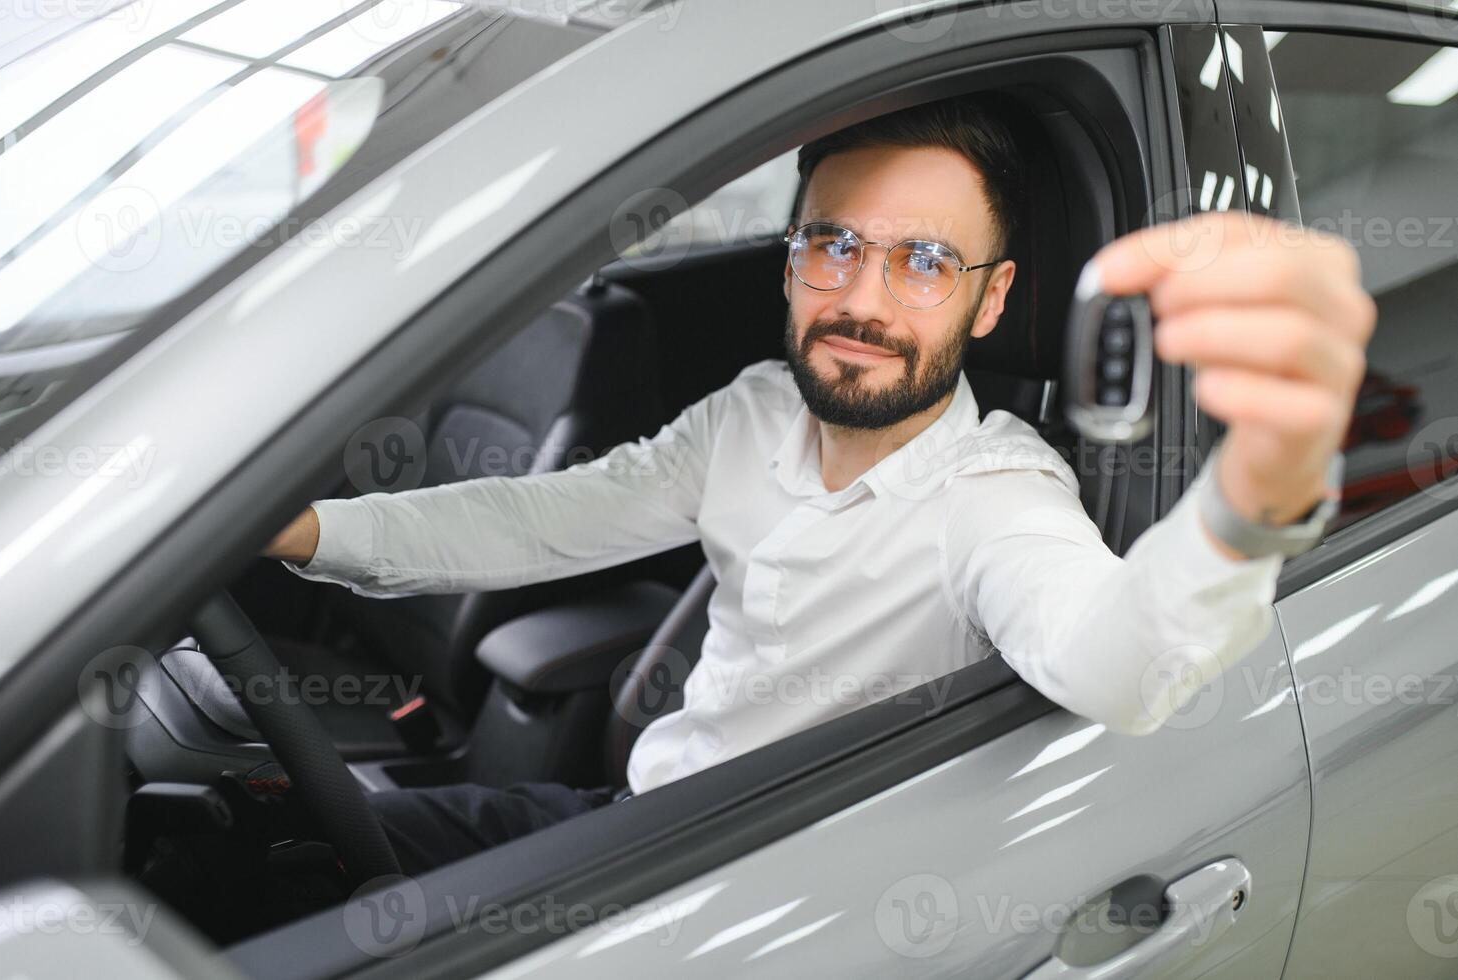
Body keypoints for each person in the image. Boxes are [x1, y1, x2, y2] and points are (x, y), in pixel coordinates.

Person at [263, 93, 1376, 876]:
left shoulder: (997, 495)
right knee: (272, 837)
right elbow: (546, 520)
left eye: (926, 263)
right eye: (832, 246)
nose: (864, 301)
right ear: (790, 259)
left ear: (990, 304)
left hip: (739, 886)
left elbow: (1120, 664)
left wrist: (1256, 494)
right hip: (635, 815)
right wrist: (307, 527)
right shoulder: (756, 408)